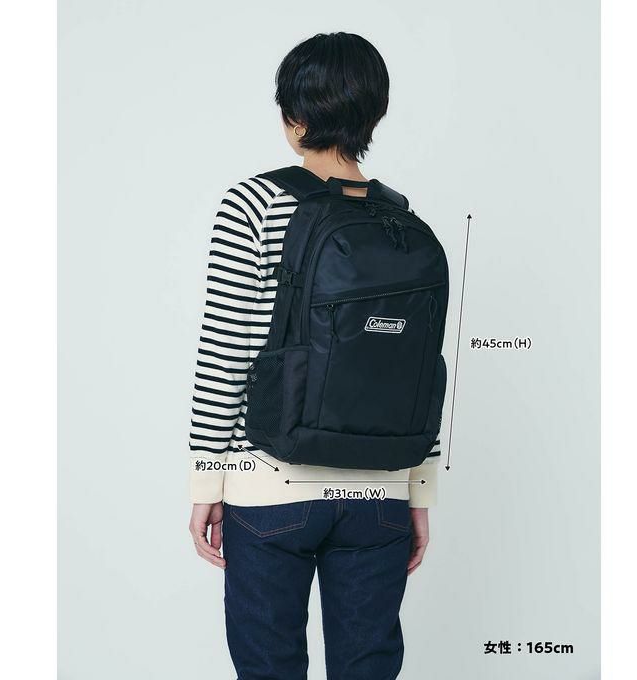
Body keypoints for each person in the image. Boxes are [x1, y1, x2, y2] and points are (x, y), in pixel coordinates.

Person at [188, 32, 442, 680]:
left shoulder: (253, 204)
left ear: (293, 117)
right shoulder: (400, 221)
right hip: (380, 492)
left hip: (270, 487)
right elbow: (418, 365)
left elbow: (226, 351)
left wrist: (207, 482)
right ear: (375, 113)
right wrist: (418, 491)